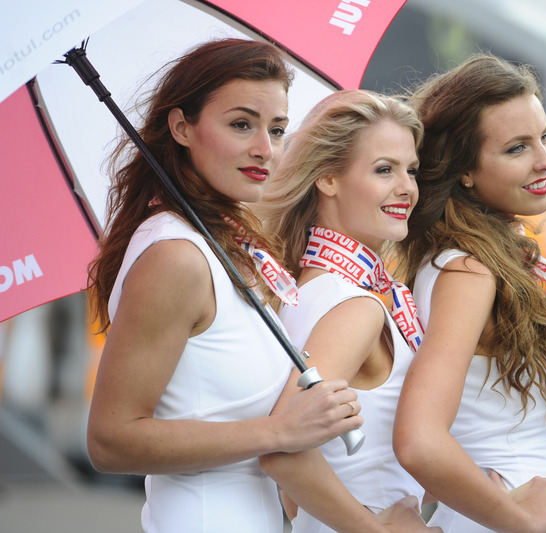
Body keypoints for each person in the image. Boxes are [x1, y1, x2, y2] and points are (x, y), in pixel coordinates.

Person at [85, 38, 387, 533]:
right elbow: (110, 441)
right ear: (182, 127)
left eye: (277, 128)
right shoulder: (175, 256)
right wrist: (280, 431)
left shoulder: (233, 242)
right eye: (241, 124)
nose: (264, 149)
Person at [392, 53, 546, 533]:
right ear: (464, 169)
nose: (545, 159)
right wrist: (524, 523)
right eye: (516, 149)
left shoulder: (478, 260)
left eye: (544, 137)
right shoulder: (468, 271)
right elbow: (419, 440)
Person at [254, 89, 439, 532]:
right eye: (383, 170)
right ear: (328, 179)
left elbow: (295, 494)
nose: (406, 188)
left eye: (410, 170)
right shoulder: (356, 306)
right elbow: (283, 453)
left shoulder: (294, 290)